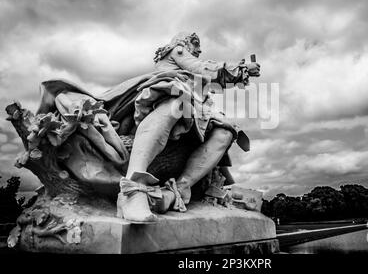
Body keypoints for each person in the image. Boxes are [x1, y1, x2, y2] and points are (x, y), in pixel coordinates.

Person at [36, 32, 260, 223]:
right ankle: (133, 189)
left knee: (226, 129)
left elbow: (205, 79)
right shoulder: (178, 50)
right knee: (176, 102)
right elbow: (203, 69)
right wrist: (241, 70)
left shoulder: (192, 83)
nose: (198, 51)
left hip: (191, 109)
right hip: (164, 98)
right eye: (196, 46)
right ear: (186, 42)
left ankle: (181, 187)